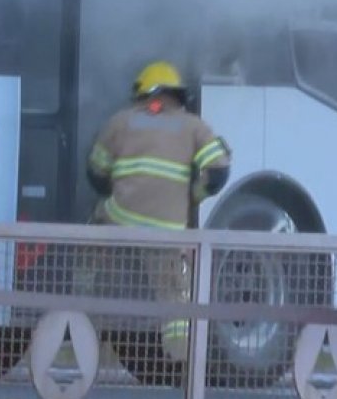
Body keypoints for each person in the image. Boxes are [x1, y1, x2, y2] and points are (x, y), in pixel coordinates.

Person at [86, 60, 231, 362]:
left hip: (119, 222)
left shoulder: (121, 122)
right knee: (176, 297)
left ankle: (81, 339)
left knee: (90, 266)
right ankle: (180, 363)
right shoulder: (193, 126)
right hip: (167, 233)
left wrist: (113, 193)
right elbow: (218, 170)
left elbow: (96, 172)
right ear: (176, 95)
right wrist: (193, 196)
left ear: (144, 93)